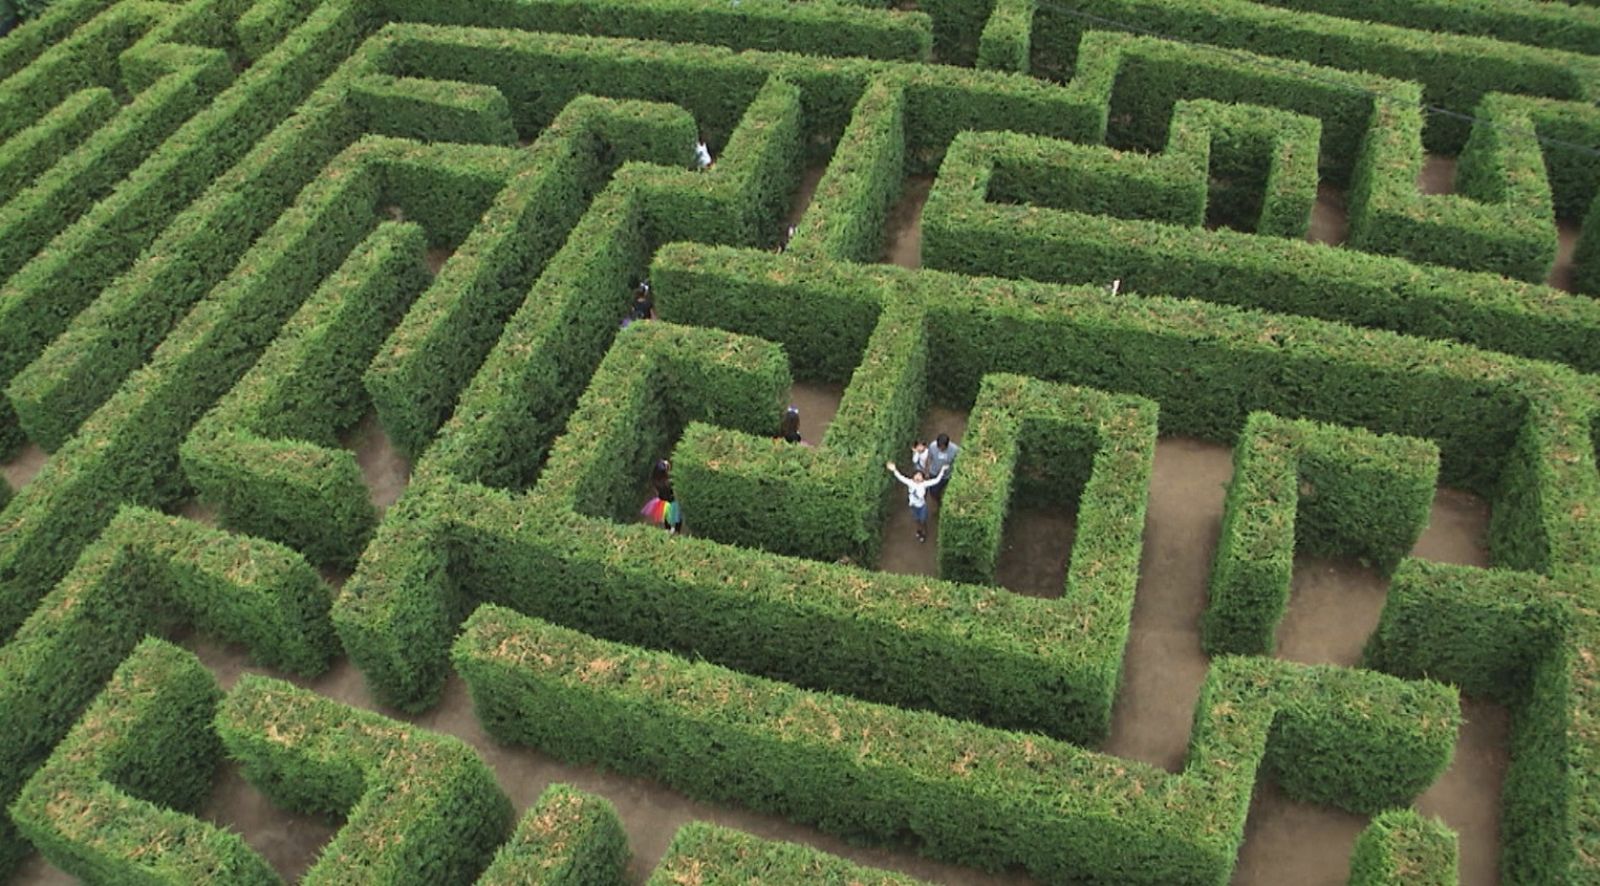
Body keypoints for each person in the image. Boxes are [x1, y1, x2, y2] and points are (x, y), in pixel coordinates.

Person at [887, 460, 947, 543]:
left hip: (922, 506)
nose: (918, 477)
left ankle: (924, 533)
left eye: (920, 476)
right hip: (913, 506)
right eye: (916, 475)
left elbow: (936, 480)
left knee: (922, 520)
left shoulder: (924, 484)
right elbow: (901, 477)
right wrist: (894, 470)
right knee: (917, 520)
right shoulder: (910, 483)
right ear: (913, 477)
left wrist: (942, 471)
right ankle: (919, 531)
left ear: (923, 478)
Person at [641, 459, 683, 534]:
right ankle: (676, 531)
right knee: (677, 517)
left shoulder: (656, 480)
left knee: (667, 516)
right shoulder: (667, 482)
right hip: (670, 500)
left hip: (662, 501)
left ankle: (668, 529)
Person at [927, 433, 959, 501]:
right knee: (933, 490)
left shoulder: (955, 450)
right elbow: (929, 458)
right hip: (934, 473)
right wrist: (927, 470)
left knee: (945, 489)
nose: (940, 449)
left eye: (942, 448)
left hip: (946, 475)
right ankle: (936, 499)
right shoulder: (932, 446)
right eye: (939, 447)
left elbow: (957, 461)